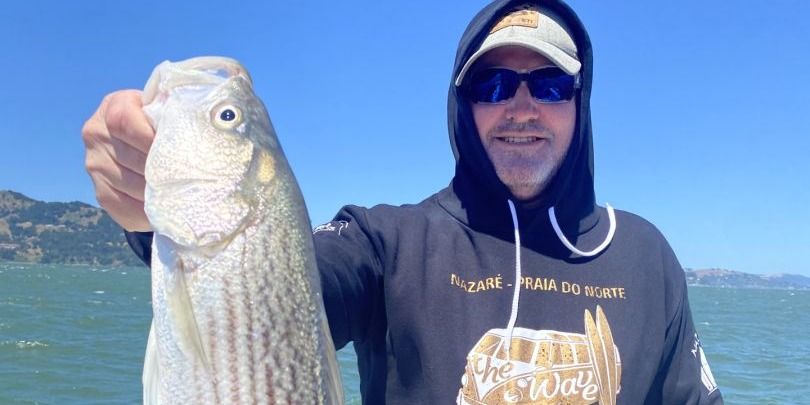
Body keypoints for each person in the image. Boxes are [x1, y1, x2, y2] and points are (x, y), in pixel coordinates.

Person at [82, 0, 724, 403]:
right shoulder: (387, 241)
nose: (522, 108)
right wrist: (148, 211)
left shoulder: (643, 255)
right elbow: (280, 278)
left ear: (580, 105)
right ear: (461, 104)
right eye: (494, 83)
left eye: (551, 84)